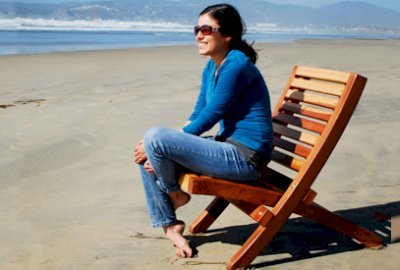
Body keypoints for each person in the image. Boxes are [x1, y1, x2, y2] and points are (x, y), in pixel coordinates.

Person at [133, 3, 273, 258]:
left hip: (245, 158)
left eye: (207, 29)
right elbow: (199, 112)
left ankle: (174, 193)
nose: (199, 34)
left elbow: (212, 115)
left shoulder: (236, 66)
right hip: (226, 146)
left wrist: (162, 145)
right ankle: (170, 224)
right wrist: (160, 149)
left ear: (227, 34)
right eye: (197, 29)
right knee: (147, 153)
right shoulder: (212, 65)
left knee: (153, 138)